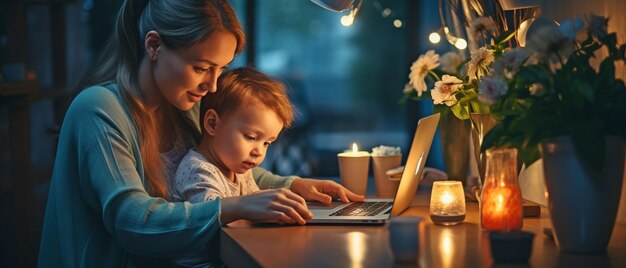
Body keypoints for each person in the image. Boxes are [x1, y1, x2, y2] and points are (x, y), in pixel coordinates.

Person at [37, 0, 363, 267]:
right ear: (154, 46)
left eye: (220, 69)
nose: (213, 85)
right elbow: (132, 221)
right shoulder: (99, 108)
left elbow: (218, 169)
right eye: (201, 68)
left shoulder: (182, 104)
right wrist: (233, 208)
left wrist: (292, 186)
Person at [170, 67, 295, 267]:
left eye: (267, 143)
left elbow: (254, 208)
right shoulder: (197, 170)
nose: (259, 152)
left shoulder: (239, 169)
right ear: (212, 124)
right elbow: (212, 214)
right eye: (251, 137)